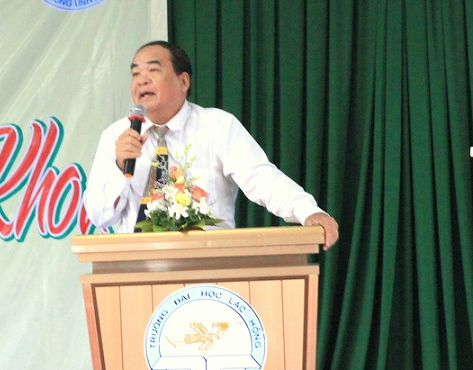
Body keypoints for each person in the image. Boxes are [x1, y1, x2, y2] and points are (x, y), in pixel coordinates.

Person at [83, 40, 339, 250]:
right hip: (136, 268)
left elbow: (261, 178)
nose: (141, 80)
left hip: (210, 267)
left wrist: (306, 211)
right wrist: (119, 167)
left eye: (153, 70)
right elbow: (99, 216)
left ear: (184, 81)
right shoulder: (116, 136)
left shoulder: (217, 126)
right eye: (135, 74)